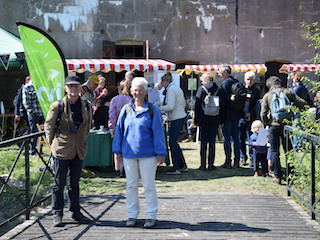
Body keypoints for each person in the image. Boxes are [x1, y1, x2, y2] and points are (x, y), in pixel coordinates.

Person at [112, 77, 166, 229]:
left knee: (149, 186)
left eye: (140, 90)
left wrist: (160, 152)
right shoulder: (126, 110)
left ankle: (151, 215)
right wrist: (117, 151)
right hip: (129, 154)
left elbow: (158, 132)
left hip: (148, 155)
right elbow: (119, 131)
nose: (137, 93)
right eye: (135, 90)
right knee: (131, 185)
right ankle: (132, 214)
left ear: (146, 92)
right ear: (130, 91)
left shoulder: (152, 110)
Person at [44, 75, 93, 227]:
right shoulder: (57, 106)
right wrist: (52, 145)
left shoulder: (86, 105)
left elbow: (89, 124)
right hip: (61, 150)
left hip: (79, 149)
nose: (73, 89)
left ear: (80, 88)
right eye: (70, 86)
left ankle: (76, 212)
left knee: (75, 183)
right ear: (65, 88)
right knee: (59, 184)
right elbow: (48, 126)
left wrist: (83, 138)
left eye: (76, 86)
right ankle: (57, 213)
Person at [260, 76, 307, 184]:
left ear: (269, 85)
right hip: (287, 126)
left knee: (274, 151)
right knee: (288, 150)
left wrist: (268, 122)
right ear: (279, 83)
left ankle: (277, 176)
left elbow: (262, 114)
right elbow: (302, 103)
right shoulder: (287, 92)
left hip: (273, 125)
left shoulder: (267, 96)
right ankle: (291, 174)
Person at [194, 73, 226, 171]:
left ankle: (203, 164)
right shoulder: (219, 89)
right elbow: (223, 105)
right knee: (212, 142)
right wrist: (222, 119)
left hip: (204, 118)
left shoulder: (202, 89)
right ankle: (211, 164)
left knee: (203, 142)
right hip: (215, 117)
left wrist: (196, 119)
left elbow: (197, 104)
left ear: (205, 80)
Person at [158, 72, 188, 175]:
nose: (161, 84)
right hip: (179, 116)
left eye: (162, 82)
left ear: (165, 81)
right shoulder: (176, 88)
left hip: (175, 117)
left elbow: (170, 106)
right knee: (174, 142)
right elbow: (183, 103)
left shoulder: (170, 90)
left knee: (172, 142)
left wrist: (158, 108)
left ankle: (176, 167)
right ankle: (182, 165)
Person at [218, 65, 242, 168]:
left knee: (227, 138)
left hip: (227, 115)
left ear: (224, 73)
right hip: (236, 114)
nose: (219, 75)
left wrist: (221, 118)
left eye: (220, 73)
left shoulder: (225, 83)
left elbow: (223, 102)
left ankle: (228, 161)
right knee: (236, 138)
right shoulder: (236, 81)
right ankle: (237, 161)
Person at [108, 79, 132, 177]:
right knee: (128, 148)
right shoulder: (131, 100)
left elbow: (112, 115)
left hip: (118, 127)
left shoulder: (114, 100)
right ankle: (127, 169)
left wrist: (111, 127)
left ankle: (119, 169)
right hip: (129, 127)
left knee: (118, 149)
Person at [238, 71, 261, 166]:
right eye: (248, 79)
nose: (249, 81)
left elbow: (256, 104)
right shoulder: (241, 89)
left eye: (251, 80)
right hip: (241, 117)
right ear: (244, 80)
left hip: (252, 119)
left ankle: (252, 158)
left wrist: (250, 113)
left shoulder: (256, 90)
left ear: (254, 80)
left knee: (251, 139)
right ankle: (243, 157)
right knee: (241, 139)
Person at [22, 75, 44, 155]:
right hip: (33, 114)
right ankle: (32, 150)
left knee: (42, 133)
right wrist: (32, 112)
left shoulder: (42, 85)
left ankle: (40, 150)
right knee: (33, 132)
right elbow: (25, 102)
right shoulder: (27, 87)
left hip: (42, 113)